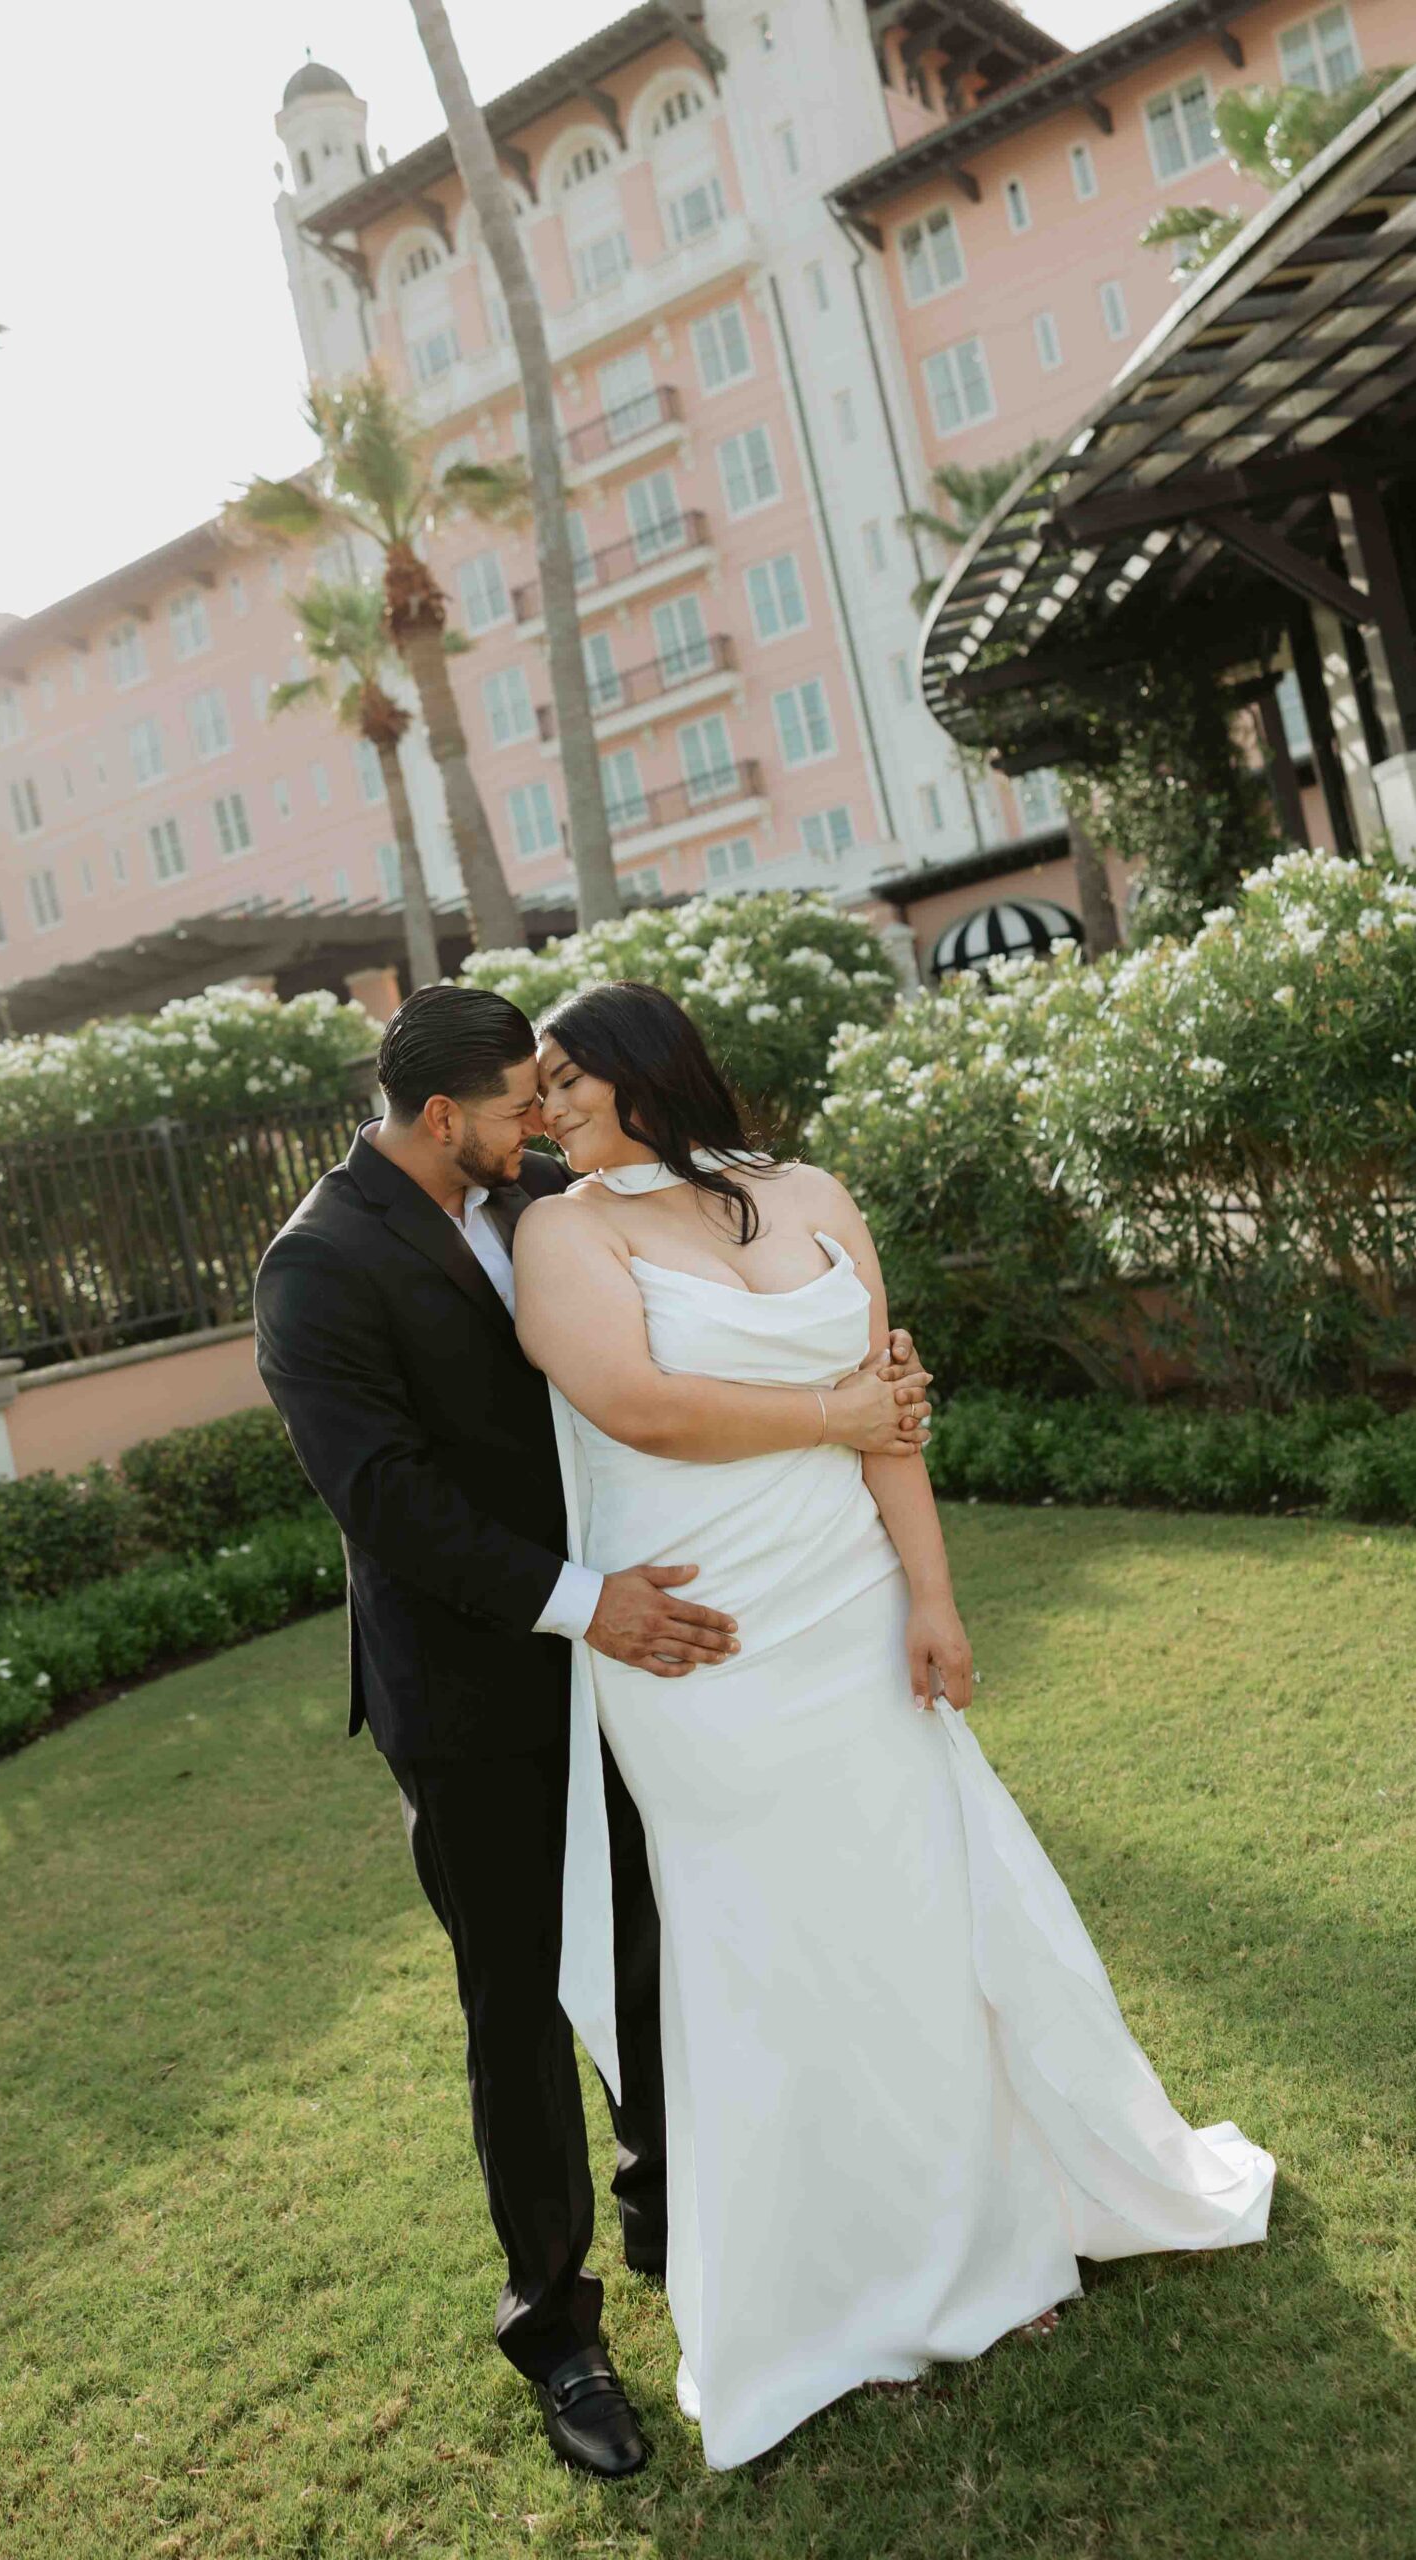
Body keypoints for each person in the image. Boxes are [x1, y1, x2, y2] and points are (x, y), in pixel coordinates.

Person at [513, 979, 1277, 2475]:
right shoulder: (565, 1229)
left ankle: (988, 2241)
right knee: (768, 1946)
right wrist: (835, 1417)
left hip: (852, 1601)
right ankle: (821, 2293)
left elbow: (890, 1414)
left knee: (921, 1911)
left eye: (562, 1081)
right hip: (701, 1635)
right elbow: (638, 1406)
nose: (543, 1112)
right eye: (531, 1092)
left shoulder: (808, 1193)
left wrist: (932, 1595)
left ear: (640, 1069)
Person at [250, 982, 935, 2477]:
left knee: (660, 1952)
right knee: (519, 2009)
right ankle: (558, 2338)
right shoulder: (317, 1266)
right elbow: (385, 1499)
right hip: (480, 1687)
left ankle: (685, 2230)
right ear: (444, 1116)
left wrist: (865, 1383)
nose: (547, 1122)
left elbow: (675, 1336)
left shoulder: (545, 1198)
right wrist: (581, 1603)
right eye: (521, 1105)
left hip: (648, 1658)